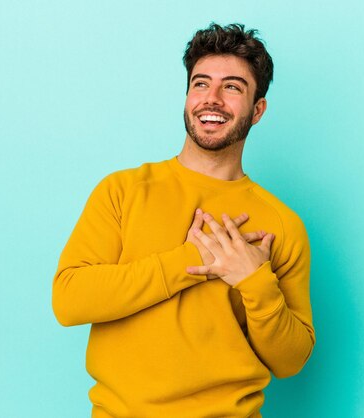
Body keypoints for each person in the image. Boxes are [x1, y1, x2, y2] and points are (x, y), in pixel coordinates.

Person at [52, 23, 315, 418]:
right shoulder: (124, 191)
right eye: (200, 84)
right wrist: (188, 262)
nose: (212, 99)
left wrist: (254, 281)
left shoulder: (282, 224)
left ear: (257, 109)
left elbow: (291, 360)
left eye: (232, 87)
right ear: (187, 94)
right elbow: (69, 300)